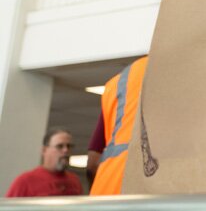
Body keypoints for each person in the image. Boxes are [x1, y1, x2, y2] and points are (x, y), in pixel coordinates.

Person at [89, 56, 148, 195]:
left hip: (107, 188)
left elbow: (93, 161)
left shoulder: (117, 83)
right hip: (147, 190)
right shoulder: (181, 74)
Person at [6, 127, 83, 197]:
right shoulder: (25, 181)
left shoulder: (74, 181)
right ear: (44, 150)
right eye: (60, 146)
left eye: (69, 146)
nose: (66, 150)